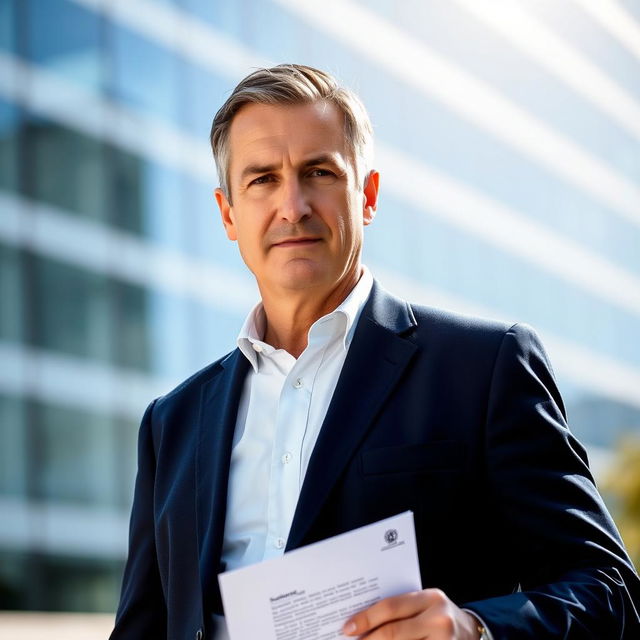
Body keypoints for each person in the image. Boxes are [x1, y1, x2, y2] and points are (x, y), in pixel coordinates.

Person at [110, 64, 640, 640]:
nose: (293, 206)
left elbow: (608, 592)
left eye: (318, 172)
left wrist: (472, 630)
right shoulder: (173, 422)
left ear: (367, 195)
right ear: (228, 213)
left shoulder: (483, 368)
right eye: (262, 179)